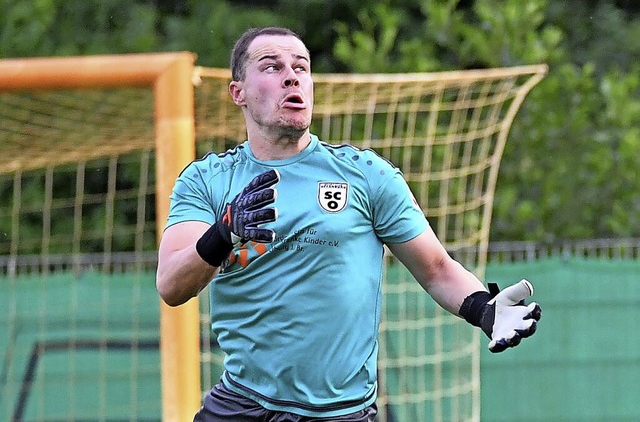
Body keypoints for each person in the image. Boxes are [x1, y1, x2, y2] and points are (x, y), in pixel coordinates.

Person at [156, 26, 541, 421]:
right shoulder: (208, 179)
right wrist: (223, 232)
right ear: (238, 92)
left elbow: (437, 269)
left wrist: (484, 309)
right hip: (242, 405)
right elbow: (171, 285)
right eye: (271, 67)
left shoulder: (366, 175)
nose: (292, 76)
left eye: (301, 67)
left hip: (339, 413)